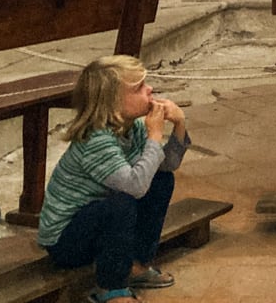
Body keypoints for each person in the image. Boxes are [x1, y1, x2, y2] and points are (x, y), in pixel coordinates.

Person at [37, 54, 190, 302]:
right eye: (139, 88)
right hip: (66, 241)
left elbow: (166, 165)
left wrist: (180, 124)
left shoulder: (133, 127)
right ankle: (112, 289)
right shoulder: (96, 140)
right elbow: (135, 187)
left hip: (100, 224)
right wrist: (155, 136)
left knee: (162, 180)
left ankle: (137, 264)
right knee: (122, 202)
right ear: (111, 102)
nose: (150, 90)